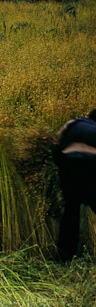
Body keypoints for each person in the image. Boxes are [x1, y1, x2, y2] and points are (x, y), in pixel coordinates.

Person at [55, 108, 96, 262]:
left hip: (69, 168)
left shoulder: (74, 123)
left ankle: (65, 256)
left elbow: (56, 145)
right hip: (92, 169)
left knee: (71, 211)